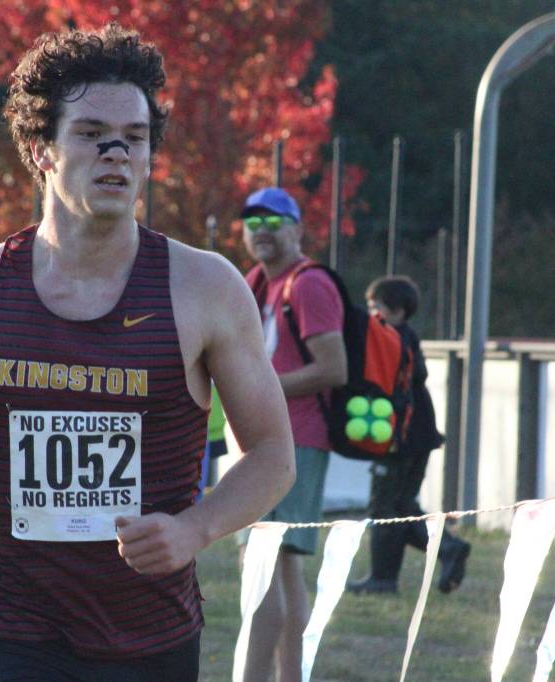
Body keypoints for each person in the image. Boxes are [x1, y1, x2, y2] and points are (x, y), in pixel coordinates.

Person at [0, 23, 295, 681]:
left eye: (136, 137)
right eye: (92, 134)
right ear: (41, 150)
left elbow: (271, 454)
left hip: (148, 634)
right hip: (10, 628)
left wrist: (194, 530)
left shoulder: (205, 288)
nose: (117, 153)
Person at [238, 186, 347, 682]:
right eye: (252, 221)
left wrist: (263, 389)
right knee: (282, 567)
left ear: (298, 228)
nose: (262, 230)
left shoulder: (307, 285)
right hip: (261, 438)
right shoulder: (255, 282)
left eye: (274, 220)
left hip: (296, 438)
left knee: (262, 562)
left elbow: (334, 368)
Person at [346, 275, 470, 595]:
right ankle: (395, 572)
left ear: (398, 312)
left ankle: (398, 572)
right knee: (401, 504)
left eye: (378, 307)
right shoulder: (406, 337)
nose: (371, 313)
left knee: (385, 507)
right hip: (419, 431)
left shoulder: (391, 340)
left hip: (402, 434)